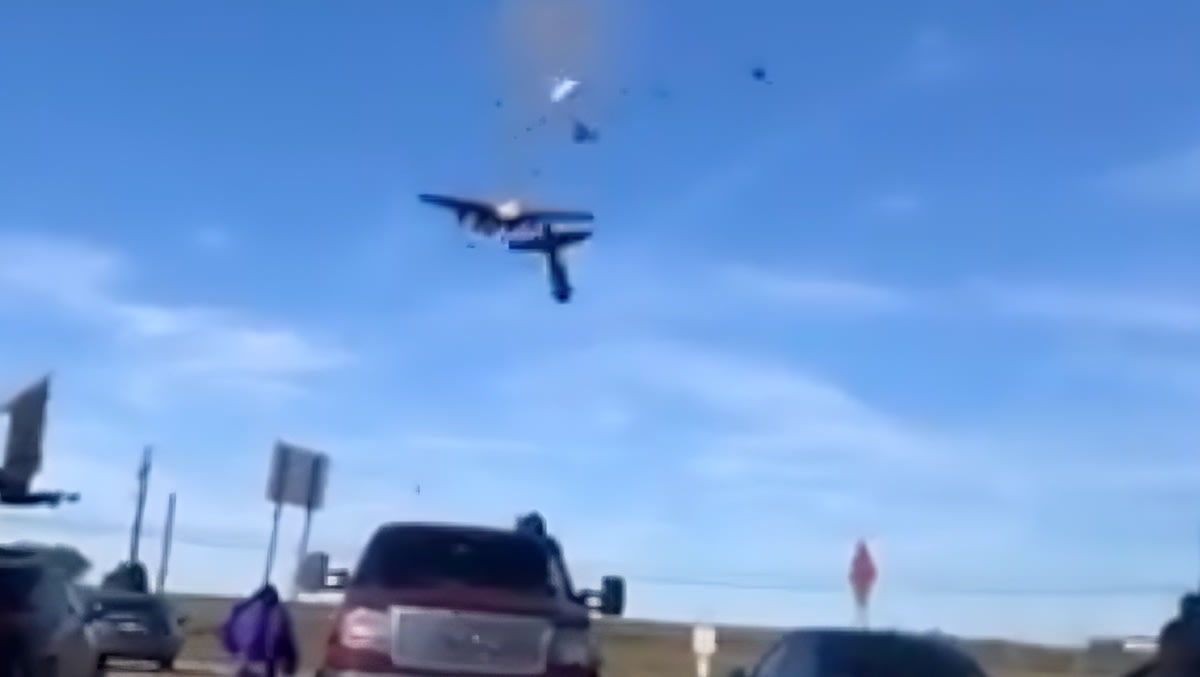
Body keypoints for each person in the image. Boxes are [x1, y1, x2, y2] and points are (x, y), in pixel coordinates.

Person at [220, 584, 299, 677]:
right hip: (265, 662)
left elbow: (229, 630)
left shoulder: (245, 608)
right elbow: (285, 638)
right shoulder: (278, 612)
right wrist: (291, 662)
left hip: (248, 660)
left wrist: (233, 649)